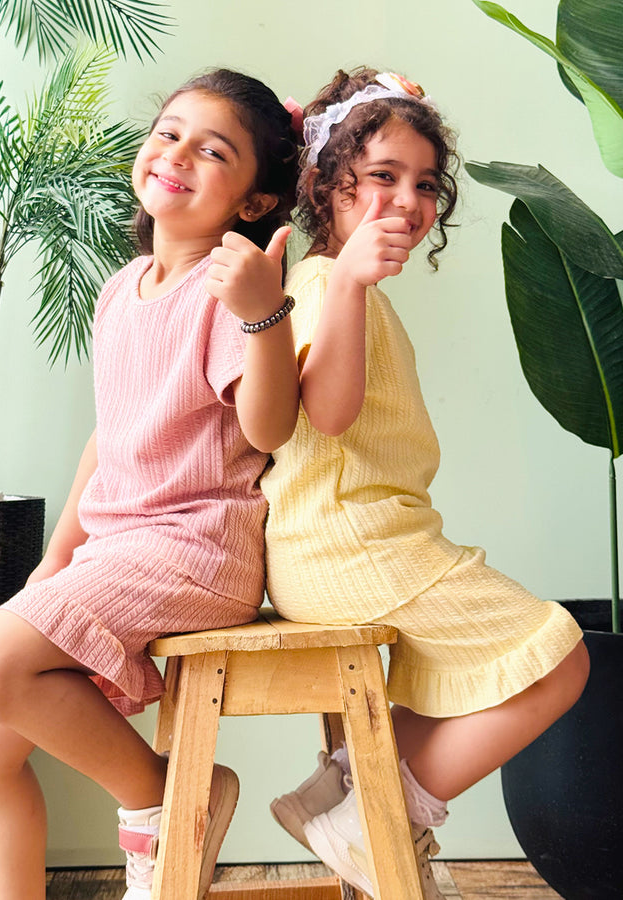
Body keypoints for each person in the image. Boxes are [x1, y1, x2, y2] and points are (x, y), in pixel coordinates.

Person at [0, 68, 301, 900]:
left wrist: (263, 313)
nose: (176, 153)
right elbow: (111, 438)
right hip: (116, 549)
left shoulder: (228, 294)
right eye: (169, 131)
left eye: (212, 150)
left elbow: (268, 428)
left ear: (253, 203)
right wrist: (53, 562)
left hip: (191, 551)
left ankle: (165, 797)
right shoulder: (120, 290)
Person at [263, 68, 590, 900]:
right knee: (555, 659)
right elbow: (328, 417)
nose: (408, 201)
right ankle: (374, 824)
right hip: (349, 546)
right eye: (381, 177)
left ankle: (339, 788)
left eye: (425, 184)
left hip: (364, 539)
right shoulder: (321, 285)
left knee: (477, 667)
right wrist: (348, 283)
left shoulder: (341, 291)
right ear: (323, 184)